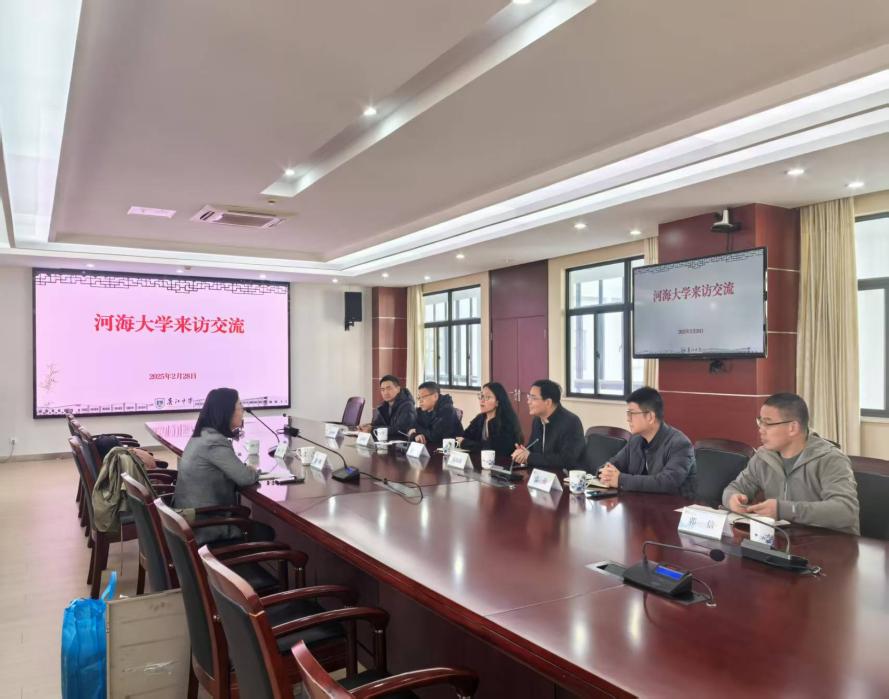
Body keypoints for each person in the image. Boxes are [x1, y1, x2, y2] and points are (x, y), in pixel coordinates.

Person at [723, 393, 860, 535]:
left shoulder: (830, 459)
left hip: (832, 543)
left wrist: (784, 510)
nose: (761, 430)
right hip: (786, 540)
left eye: (768, 423)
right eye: (760, 422)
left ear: (793, 428)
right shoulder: (763, 457)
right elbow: (734, 488)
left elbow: (846, 511)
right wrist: (732, 499)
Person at [174, 387, 273, 545]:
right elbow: (245, 478)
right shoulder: (214, 442)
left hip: (188, 519)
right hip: (204, 526)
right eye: (240, 406)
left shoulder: (203, 434)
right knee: (266, 532)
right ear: (227, 412)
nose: (243, 411)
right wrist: (252, 469)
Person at [598, 387, 696, 497]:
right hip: (640, 504)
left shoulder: (680, 444)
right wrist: (605, 473)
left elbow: (667, 482)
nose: (628, 419)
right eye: (628, 413)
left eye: (632, 413)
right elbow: (611, 464)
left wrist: (620, 480)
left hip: (673, 505)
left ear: (650, 417)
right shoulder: (635, 440)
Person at [510, 379, 584, 473]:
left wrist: (530, 457)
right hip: (540, 475)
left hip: (564, 477)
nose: (528, 402)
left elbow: (566, 459)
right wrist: (522, 452)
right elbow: (532, 449)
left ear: (548, 402)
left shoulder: (571, 422)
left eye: (533, 398)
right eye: (529, 397)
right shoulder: (537, 420)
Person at [458, 382, 524, 459]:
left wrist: (466, 443)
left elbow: (492, 449)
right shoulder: (480, 418)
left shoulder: (506, 422)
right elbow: (463, 437)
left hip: (503, 463)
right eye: (481, 396)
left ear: (497, 402)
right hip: (480, 461)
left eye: (487, 397)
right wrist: (466, 442)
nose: (482, 400)